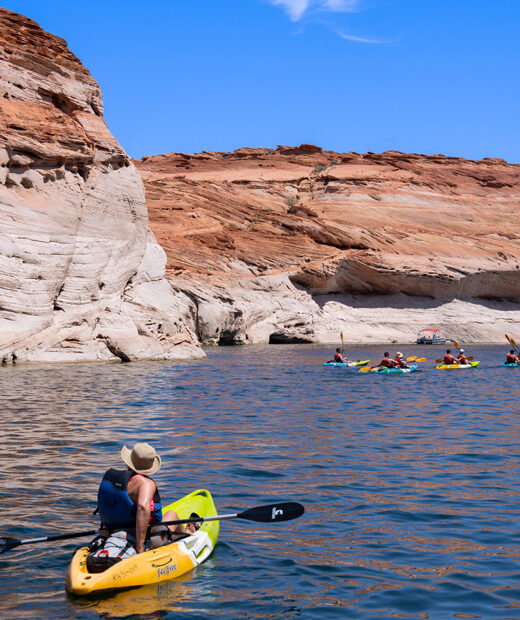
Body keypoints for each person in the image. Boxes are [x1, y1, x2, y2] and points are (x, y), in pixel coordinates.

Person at [96, 442, 195, 555]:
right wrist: (140, 546)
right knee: (172, 514)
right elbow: (143, 507)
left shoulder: (115, 480)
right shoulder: (145, 484)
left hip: (110, 532)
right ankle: (186, 536)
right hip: (149, 539)